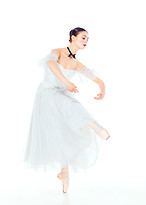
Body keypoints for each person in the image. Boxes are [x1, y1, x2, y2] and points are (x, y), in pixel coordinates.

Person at [21, 27, 110, 194]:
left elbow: (94, 77)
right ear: (73, 37)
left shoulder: (76, 63)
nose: (86, 41)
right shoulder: (57, 52)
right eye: (83, 37)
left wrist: (102, 87)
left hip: (61, 95)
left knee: (64, 131)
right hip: (47, 94)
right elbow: (51, 65)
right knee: (68, 110)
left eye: (87, 39)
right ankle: (96, 127)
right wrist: (66, 82)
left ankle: (64, 173)